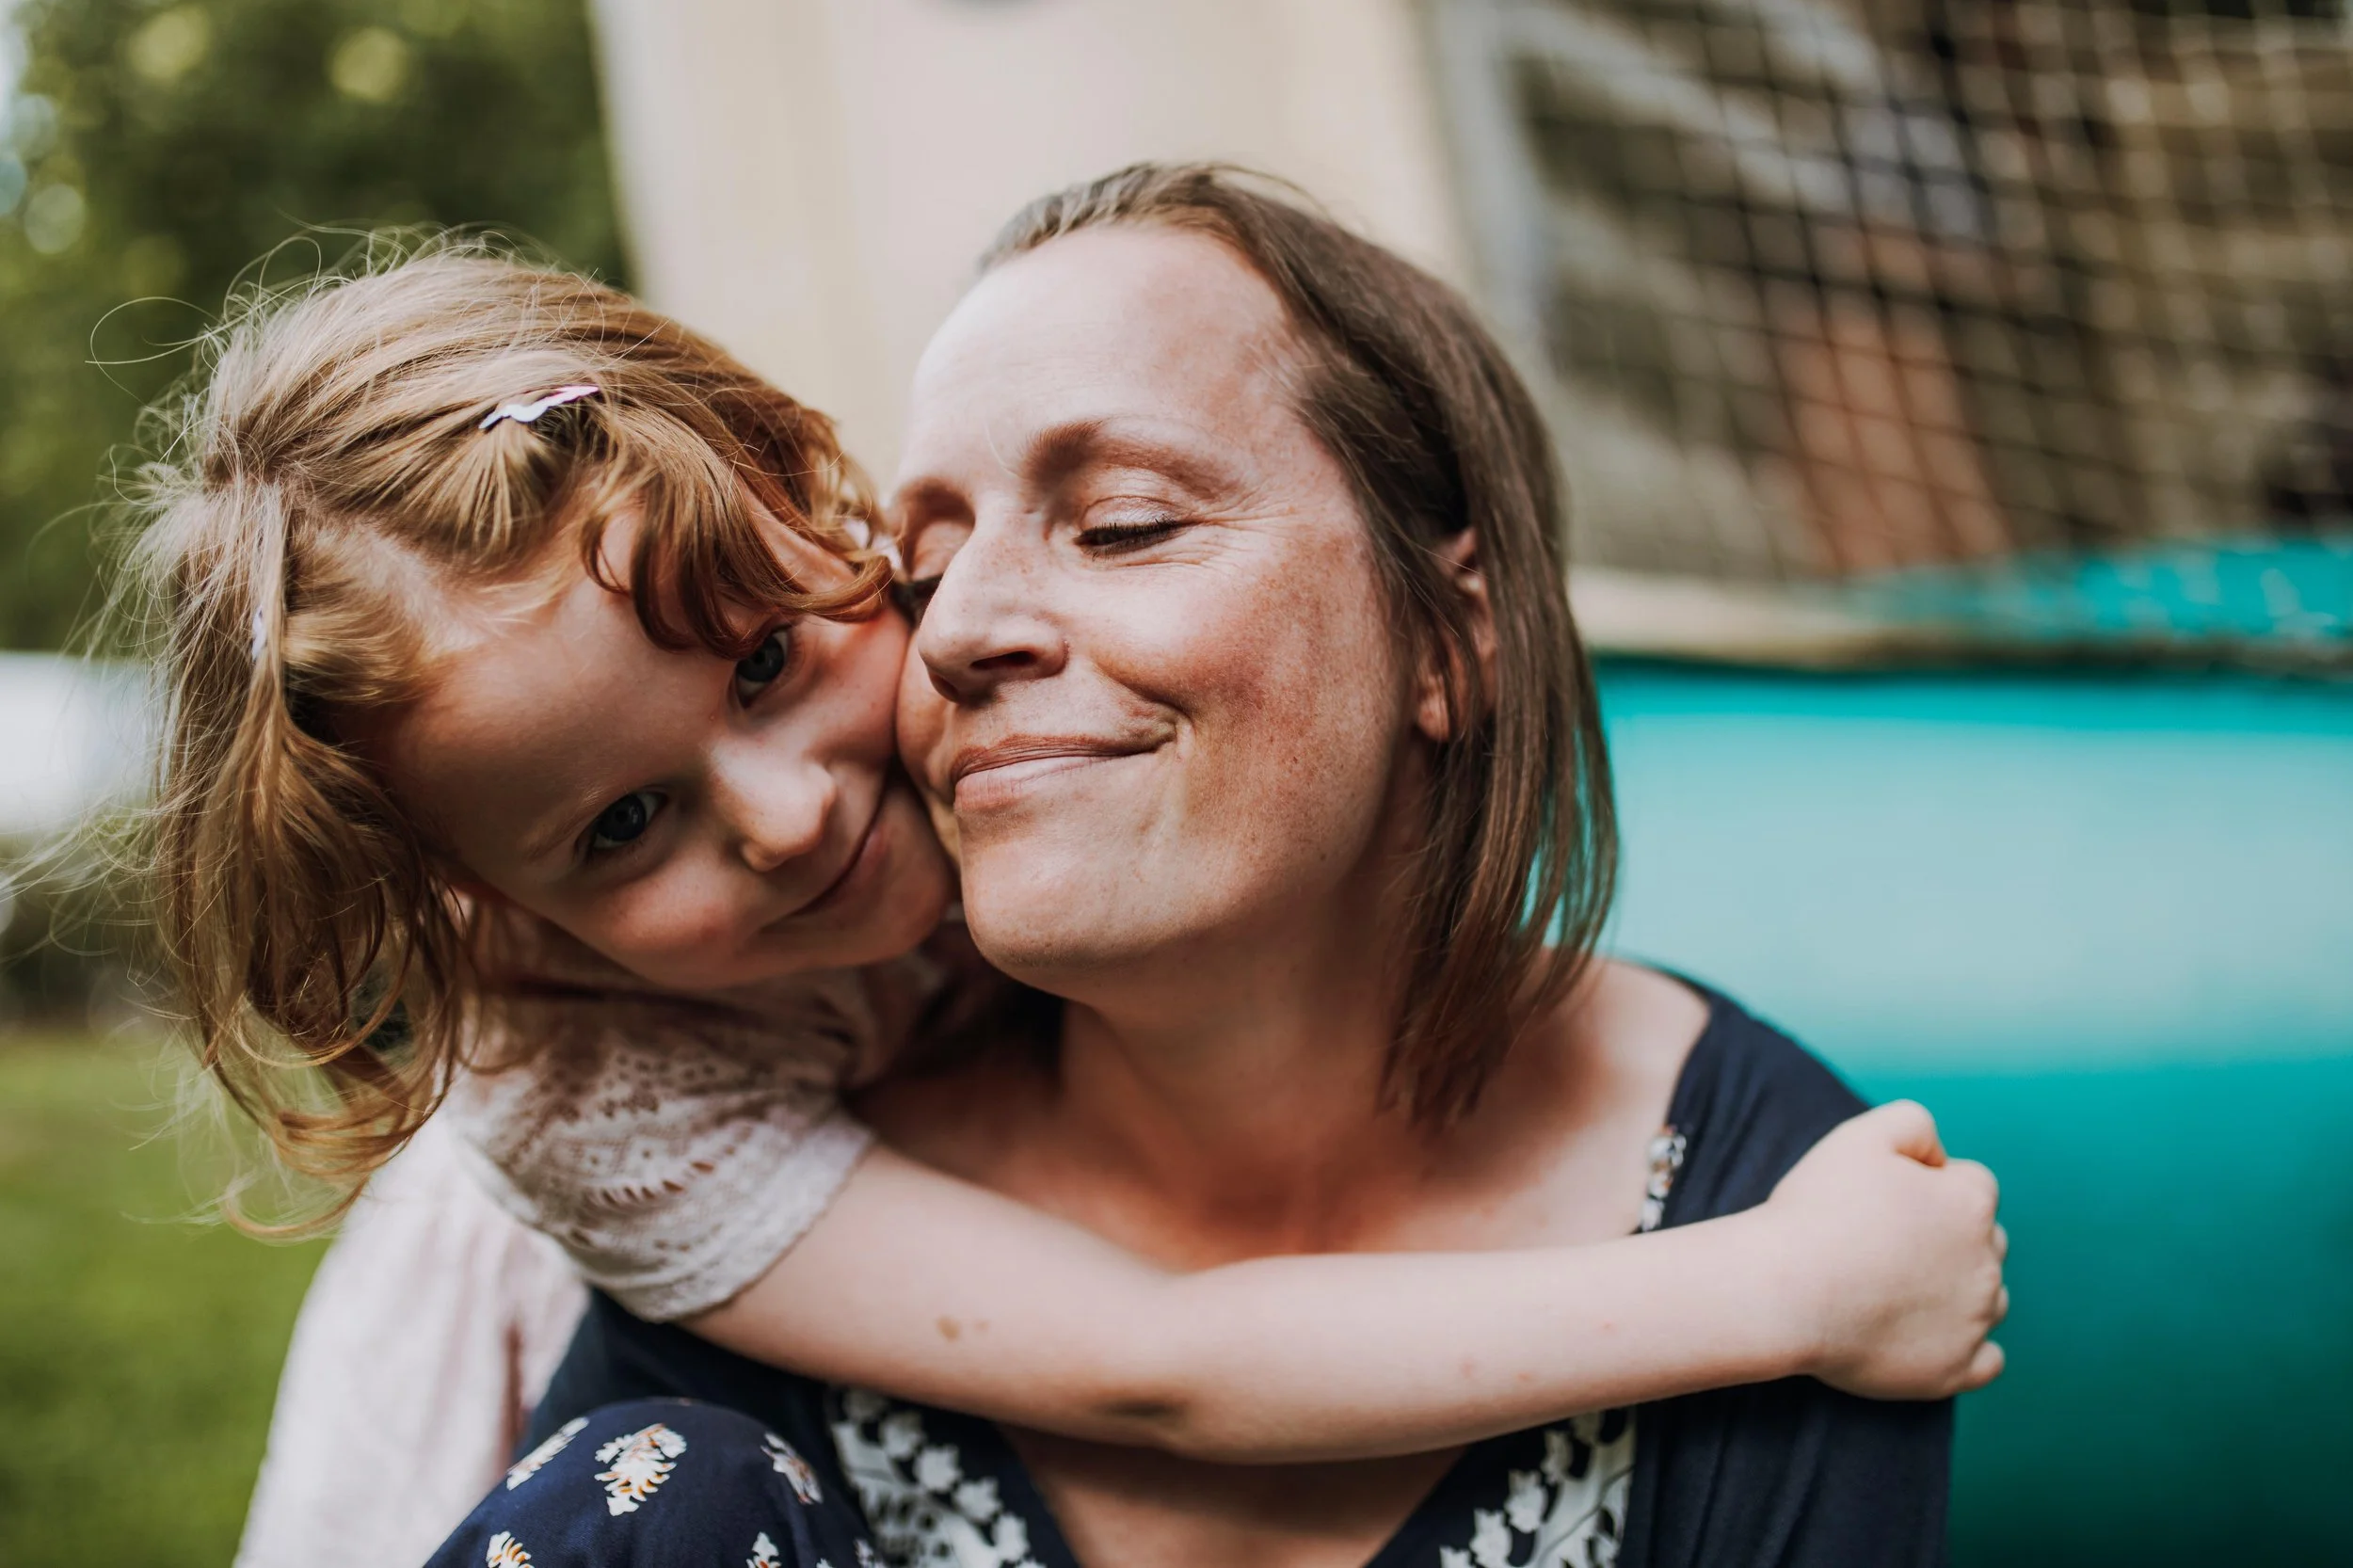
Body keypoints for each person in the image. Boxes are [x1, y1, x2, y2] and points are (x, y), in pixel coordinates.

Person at [126, 225, 1996, 1559]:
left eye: (1113, 529)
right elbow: (1161, 1360)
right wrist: (1766, 1290)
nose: (787, 817)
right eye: (621, 828)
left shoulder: (1760, 1153)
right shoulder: (642, 1157)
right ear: (496, 910)